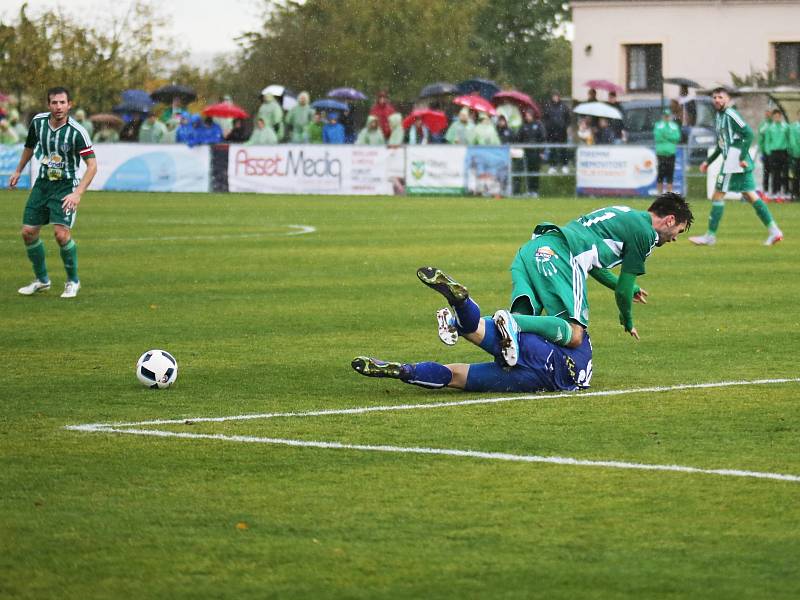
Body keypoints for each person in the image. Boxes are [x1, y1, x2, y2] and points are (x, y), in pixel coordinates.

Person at [495, 194, 693, 366]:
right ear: (670, 220)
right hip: (563, 255)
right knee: (574, 333)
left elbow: (595, 264)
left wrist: (625, 286)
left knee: (522, 321)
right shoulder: (646, 234)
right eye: (679, 231)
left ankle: (469, 323)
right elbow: (622, 291)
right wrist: (627, 318)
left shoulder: (623, 211)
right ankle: (511, 322)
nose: (675, 238)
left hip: (535, 247)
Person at [352, 267, 592, 393]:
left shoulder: (574, 330)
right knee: (455, 377)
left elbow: (555, 329)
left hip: (537, 352)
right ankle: (406, 371)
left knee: (474, 328)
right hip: (539, 380)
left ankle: (461, 305)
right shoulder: (585, 352)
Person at [8, 86, 97, 299]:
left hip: (66, 186)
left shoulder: (77, 132)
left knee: (61, 234)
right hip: (42, 184)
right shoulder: (38, 122)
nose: (58, 107)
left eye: (62, 102)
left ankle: (73, 282)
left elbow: (92, 166)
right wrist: (19, 170)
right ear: (48, 105)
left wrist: (77, 194)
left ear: (69, 105)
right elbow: (29, 147)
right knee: (28, 233)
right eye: (54, 103)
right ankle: (42, 280)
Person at [689, 87, 783, 247]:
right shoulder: (719, 117)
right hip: (734, 161)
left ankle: (710, 236)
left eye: (720, 97)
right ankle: (774, 231)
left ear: (728, 99)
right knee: (751, 196)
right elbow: (721, 144)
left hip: (734, 161)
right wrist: (708, 161)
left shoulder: (731, 114)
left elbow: (748, 133)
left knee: (718, 195)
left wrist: (740, 156)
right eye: (715, 97)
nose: (717, 100)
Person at [516, 108, 546, 197]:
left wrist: (542, 151)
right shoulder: (524, 126)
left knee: (535, 171)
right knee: (527, 171)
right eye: (526, 116)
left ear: (532, 115)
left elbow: (543, 138)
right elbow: (518, 138)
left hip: (536, 152)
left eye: (529, 115)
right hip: (526, 152)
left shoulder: (538, 124)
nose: (527, 117)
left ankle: (535, 191)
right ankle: (529, 190)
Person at [653, 108, 682, 193]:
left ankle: (669, 194)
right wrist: (669, 136)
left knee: (670, 175)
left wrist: (665, 135)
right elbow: (657, 137)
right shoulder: (658, 125)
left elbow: (676, 137)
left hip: (671, 153)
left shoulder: (674, 126)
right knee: (660, 175)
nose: (666, 118)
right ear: (663, 116)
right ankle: (660, 194)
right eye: (665, 116)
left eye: (668, 116)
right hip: (661, 153)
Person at [763, 109, 790, 199]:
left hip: (784, 152)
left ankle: (786, 192)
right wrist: (768, 153)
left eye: (778, 116)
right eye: (775, 117)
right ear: (773, 117)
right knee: (775, 173)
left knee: (785, 173)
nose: (777, 118)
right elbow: (767, 141)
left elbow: (789, 139)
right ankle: (775, 192)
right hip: (774, 153)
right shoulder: (770, 128)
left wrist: (789, 150)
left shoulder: (786, 127)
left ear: (781, 117)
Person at [542, 90, 571, 174]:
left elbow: (568, 118)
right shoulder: (548, 106)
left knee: (563, 149)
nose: (555, 97)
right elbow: (544, 118)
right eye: (554, 96)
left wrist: (565, 126)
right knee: (552, 149)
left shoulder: (564, 107)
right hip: (551, 132)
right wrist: (547, 126)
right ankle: (552, 166)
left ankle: (564, 166)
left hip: (562, 132)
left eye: (556, 96)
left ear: (559, 97)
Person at [757, 109, 772, 193]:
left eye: (769, 113)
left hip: (774, 152)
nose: (768, 114)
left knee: (776, 173)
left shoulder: (774, 124)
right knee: (766, 173)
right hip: (766, 152)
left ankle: (774, 192)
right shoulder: (763, 124)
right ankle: (765, 191)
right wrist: (761, 151)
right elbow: (760, 139)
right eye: (766, 113)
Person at [789, 109, 800, 201]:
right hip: (796, 156)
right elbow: (793, 142)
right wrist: (797, 152)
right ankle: (795, 194)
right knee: (795, 175)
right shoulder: (793, 127)